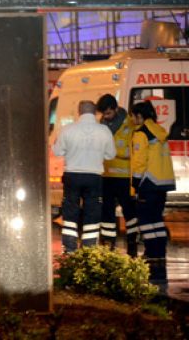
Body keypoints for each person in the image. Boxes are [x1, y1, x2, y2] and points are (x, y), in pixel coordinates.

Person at [52, 100, 116, 253]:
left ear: (79, 112)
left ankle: (69, 247)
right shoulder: (104, 130)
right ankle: (89, 247)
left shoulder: (68, 130)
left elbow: (57, 152)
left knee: (70, 211)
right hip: (94, 177)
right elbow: (111, 155)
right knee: (92, 212)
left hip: (72, 176)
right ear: (95, 113)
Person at [130, 100, 176, 293]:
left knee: (147, 221)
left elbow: (140, 160)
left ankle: (151, 254)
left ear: (140, 116)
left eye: (133, 116)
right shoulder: (159, 131)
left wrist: (135, 182)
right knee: (156, 220)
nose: (132, 119)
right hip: (163, 182)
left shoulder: (142, 133)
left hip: (148, 183)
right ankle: (159, 254)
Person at [96, 94, 139, 256]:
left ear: (115, 108)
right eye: (103, 114)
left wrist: (113, 152)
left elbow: (133, 151)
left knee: (129, 211)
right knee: (107, 211)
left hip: (124, 177)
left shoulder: (130, 125)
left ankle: (132, 241)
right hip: (106, 176)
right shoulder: (101, 125)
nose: (105, 117)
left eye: (108, 113)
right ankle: (108, 243)